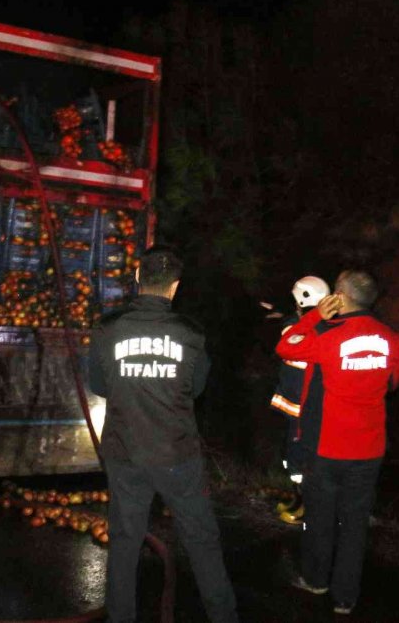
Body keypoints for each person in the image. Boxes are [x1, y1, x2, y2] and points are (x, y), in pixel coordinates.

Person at [87, 245, 239, 623]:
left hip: (125, 453)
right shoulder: (191, 334)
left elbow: (98, 385)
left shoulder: (107, 328)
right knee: (202, 541)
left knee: (125, 542)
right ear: (175, 287)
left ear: (138, 279)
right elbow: (198, 389)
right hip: (177, 457)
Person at [275, 269, 399, 616]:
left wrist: (317, 315)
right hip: (369, 449)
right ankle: (345, 599)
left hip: (329, 447)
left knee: (319, 519)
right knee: (354, 524)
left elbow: (285, 346)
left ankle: (316, 580)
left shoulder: (329, 337)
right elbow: (394, 381)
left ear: (341, 297)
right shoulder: (392, 338)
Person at [268, 275, 331, 525]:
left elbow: (291, 340)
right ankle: (302, 501)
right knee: (295, 458)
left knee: (300, 461)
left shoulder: (300, 328)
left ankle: (307, 508)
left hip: (303, 409)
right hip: (298, 406)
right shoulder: (314, 325)